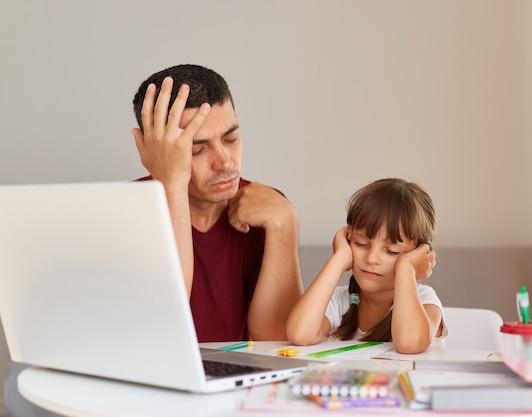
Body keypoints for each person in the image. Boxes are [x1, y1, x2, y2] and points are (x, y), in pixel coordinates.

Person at [131, 64, 303, 342]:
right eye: (196, 149)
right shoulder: (126, 212)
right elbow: (163, 327)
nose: (225, 161)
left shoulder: (268, 209)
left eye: (231, 137)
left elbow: (275, 343)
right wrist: (171, 183)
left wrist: (285, 223)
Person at [286, 178, 446, 354]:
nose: (372, 258)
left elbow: (409, 343)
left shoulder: (425, 300)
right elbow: (300, 334)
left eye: (392, 251)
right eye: (361, 243)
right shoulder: (340, 301)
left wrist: (407, 268)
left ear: (418, 254)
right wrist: (340, 258)